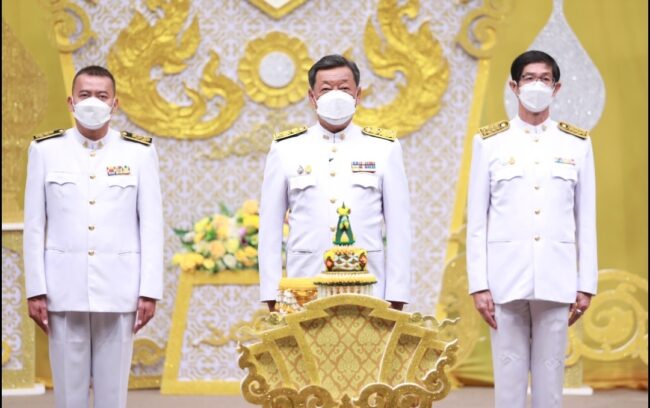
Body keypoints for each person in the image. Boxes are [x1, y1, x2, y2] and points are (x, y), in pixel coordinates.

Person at [23, 65, 163, 408]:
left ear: (115, 103)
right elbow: (34, 225)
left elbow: (151, 225)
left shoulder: (139, 152)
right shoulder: (45, 150)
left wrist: (149, 290)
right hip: (63, 288)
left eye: (102, 96)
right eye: (85, 94)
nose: (93, 102)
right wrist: (35, 289)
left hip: (119, 288)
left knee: (112, 394)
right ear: (71, 101)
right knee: (68, 394)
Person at [466, 50, 598, 408]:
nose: (536, 85)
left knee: (550, 382)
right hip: (504, 279)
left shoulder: (576, 143)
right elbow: (477, 220)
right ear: (514, 86)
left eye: (544, 78)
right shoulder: (490, 142)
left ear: (556, 87)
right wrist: (479, 284)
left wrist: (586, 284)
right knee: (508, 382)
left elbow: (586, 219)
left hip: (557, 277)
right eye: (529, 78)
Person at [259, 54, 411, 311]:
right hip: (303, 286)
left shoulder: (384, 148)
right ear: (312, 97)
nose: (336, 95)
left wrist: (396, 296)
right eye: (326, 89)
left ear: (358, 95)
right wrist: (271, 295)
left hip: (368, 285)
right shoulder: (286, 148)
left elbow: (399, 229)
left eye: (344, 88)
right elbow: (269, 229)